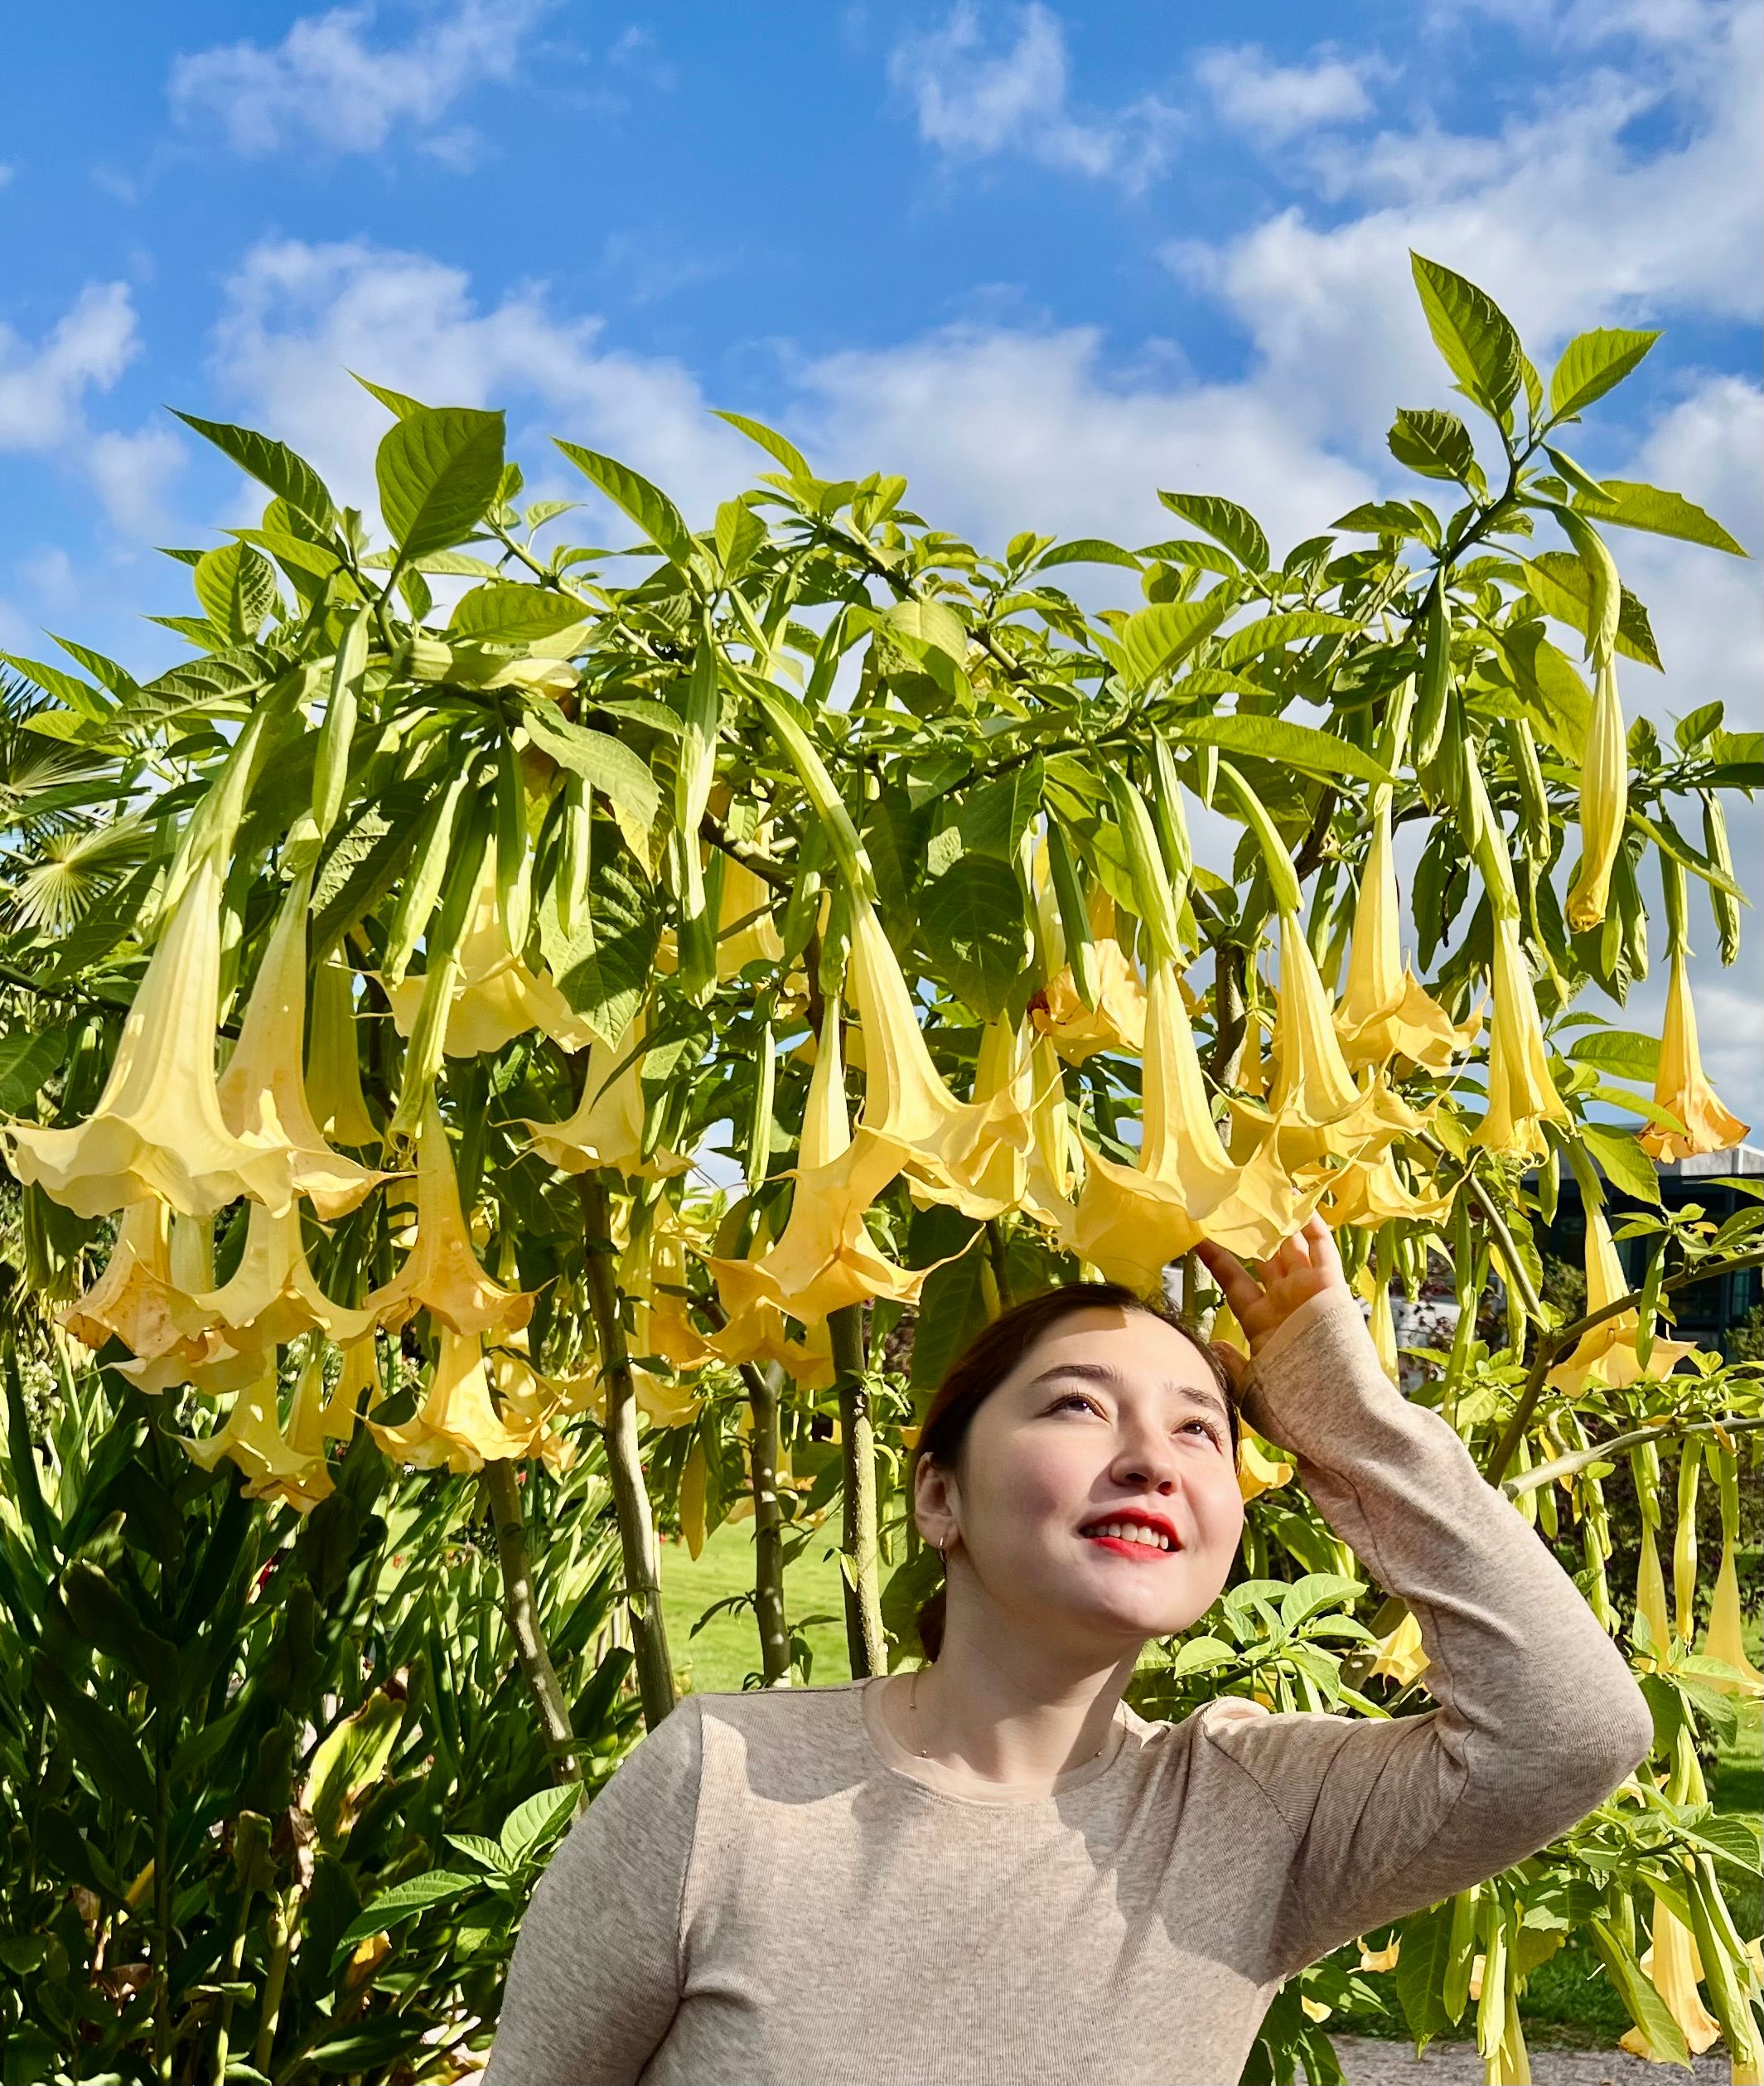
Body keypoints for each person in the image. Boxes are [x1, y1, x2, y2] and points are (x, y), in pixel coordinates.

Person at [482, 1216, 1652, 2085]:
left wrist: (1343, 1408)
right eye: (1076, 1406)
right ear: (938, 1496)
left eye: (1200, 1429)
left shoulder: (1246, 1815)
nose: (1151, 1459)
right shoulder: (722, 1786)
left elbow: (1570, 1730)